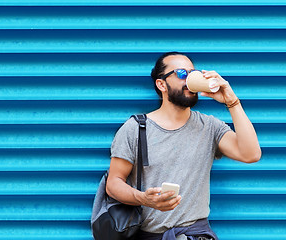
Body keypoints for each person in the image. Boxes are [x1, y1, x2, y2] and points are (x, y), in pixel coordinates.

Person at [106, 51, 261, 240]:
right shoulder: (136, 128)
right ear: (161, 84)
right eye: (181, 74)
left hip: (196, 235)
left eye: (193, 73)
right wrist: (143, 198)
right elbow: (113, 183)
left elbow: (251, 154)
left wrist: (232, 102)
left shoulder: (210, 126)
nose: (189, 79)